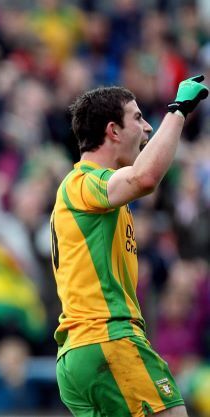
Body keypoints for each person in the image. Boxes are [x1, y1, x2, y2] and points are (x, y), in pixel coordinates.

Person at [49, 74, 208, 417]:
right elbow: (144, 178)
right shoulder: (83, 182)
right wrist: (178, 110)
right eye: (137, 118)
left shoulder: (98, 199)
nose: (147, 128)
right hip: (108, 340)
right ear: (113, 131)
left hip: (78, 353)